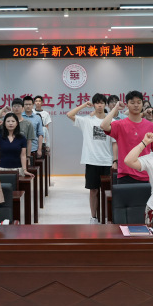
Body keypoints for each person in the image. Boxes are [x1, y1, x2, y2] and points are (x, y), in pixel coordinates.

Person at [67, 94, 114, 224]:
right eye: (97, 103)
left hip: (106, 161)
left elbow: (115, 143)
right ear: (93, 105)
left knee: (108, 191)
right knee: (93, 190)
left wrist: (115, 161)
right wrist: (84, 105)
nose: (99, 105)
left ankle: (108, 217)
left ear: (105, 104)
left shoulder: (112, 121)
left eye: (102, 103)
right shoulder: (87, 120)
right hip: (91, 160)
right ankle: (93, 217)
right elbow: (69, 114)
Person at [100, 90, 153, 184]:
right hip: (125, 175)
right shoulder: (120, 125)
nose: (136, 105)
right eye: (132, 102)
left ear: (142, 104)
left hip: (146, 174)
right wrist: (115, 108)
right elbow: (103, 126)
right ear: (127, 105)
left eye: (139, 102)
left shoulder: (151, 126)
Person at [0, 113, 32, 178]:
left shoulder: (22, 138)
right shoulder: (0, 137)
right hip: (2, 169)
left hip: (18, 169)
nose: (10, 123)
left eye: (13, 121)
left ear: (17, 123)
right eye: (8, 121)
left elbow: (23, 155)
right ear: (4, 124)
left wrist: (24, 170)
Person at [21, 96, 45, 160]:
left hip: (33, 148)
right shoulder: (19, 117)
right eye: (26, 104)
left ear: (33, 105)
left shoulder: (37, 118)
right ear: (23, 105)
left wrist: (39, 149)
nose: (28, 106)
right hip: (20, 148)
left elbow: (40, 134)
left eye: (30, 104)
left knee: (32, 166)